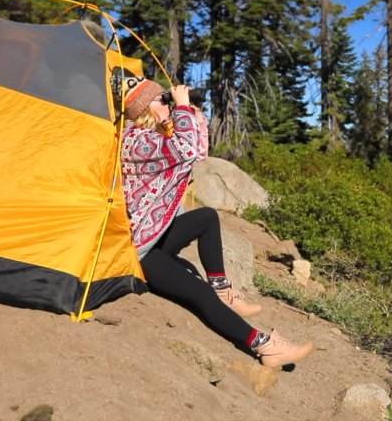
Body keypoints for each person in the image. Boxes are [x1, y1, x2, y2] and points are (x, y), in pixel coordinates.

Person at [119, 76, 315, 369]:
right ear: (144, 107)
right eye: (163, 100)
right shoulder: (136, 141)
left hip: (154, 234)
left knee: (207, 217)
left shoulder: (155, 137)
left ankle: (223, 289)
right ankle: (266, 347)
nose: (168, 103)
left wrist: (192, 118)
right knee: (199, 294)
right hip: (138, 250)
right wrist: (182, 108)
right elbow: (184, 151)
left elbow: (196, 155)